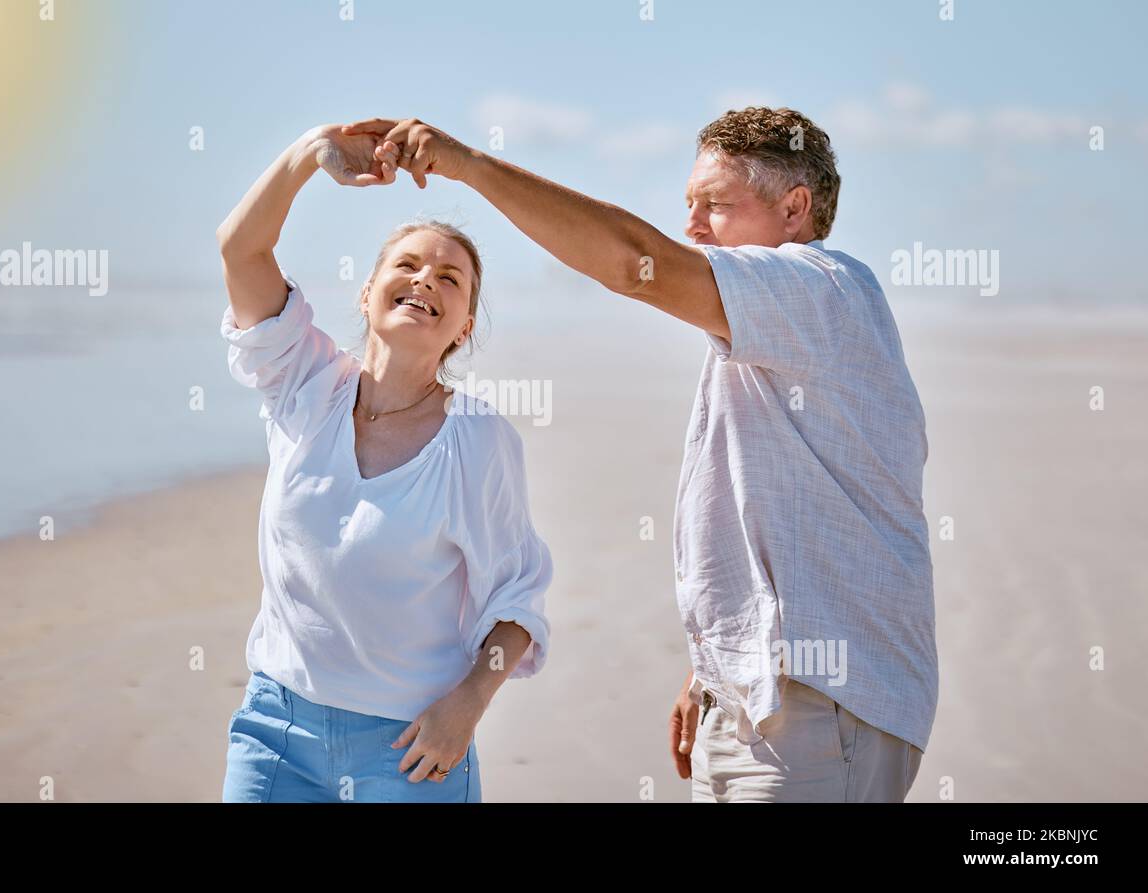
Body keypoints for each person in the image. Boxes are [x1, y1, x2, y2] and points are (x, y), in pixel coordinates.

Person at [346, 107, 936, 802]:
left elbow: (636, 265)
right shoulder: (775, 328)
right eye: (688, 205)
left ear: (793, 208)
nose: (692, 227)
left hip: (824, 707)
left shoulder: (821, 288)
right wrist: (712, 671)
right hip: (761, 699)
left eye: (714, 205)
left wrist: (468, 165)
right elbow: (786, 514)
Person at [215, 123, 552, 803]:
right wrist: (310, 152)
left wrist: (469, 704)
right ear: (368, 292)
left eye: (450, 277)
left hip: (412, 748)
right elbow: (240, 247)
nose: (426, 277)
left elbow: (517, 602)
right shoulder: (303, 381)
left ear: (463, 325)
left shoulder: (477, 442)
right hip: (276, 729)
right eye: (408, 265)